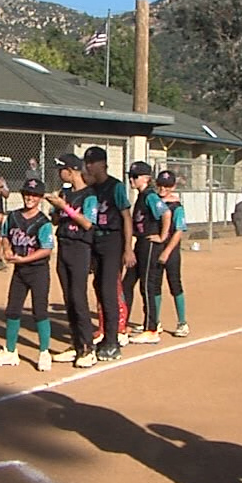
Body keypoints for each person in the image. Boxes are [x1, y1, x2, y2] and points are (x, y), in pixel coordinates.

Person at [0, 178, 56, 372]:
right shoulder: (14, 216)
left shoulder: (43, 222)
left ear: (40, 198)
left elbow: (46, 249)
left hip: (38, 270)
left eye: (34, 195)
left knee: (40, 311)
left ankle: (44, 352)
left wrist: (24, 259)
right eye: (27, 193)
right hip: (20, 271)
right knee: (13, 309)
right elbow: (5, 236)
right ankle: (10, 350)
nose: (29, 198)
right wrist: (7, 249)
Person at [44, 153, 100, 368]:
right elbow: (55, 220)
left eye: (62, 170)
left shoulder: (89, 195)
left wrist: (64, 206)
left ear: (72, 170)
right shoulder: (64, 193)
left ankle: (87, 347)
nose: (60, 174)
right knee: (68, 299)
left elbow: (88, 223)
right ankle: (76, 344)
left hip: (80, 248)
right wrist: (57, 208)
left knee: (78, 298)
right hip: (64, 246)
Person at [85, 146, 134, 361]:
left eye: (92, 162)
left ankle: (113, 340)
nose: (88, 166)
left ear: (103, 164)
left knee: (108, 289)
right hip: (95, 240)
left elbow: (126, 217)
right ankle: (104, 333)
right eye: (87, 162)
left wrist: (128, 248)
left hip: (112, 240)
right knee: (98, 287)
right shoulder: (90, 189)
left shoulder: (116, 186)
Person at [122, 161, 170, 344]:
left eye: (135, 177)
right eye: (130, 176)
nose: (131, 180)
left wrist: (162, 236)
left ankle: (151, 328)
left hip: (150, 244)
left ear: (146, 178)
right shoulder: (141, 196)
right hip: (140, 244)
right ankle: (122, 323)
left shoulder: (150, 196)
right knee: (127, 283)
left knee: (147, 285)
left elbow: (166, 213)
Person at [152, 170, 190, 338]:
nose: (163, 189)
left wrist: (167, 252)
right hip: (155, 248)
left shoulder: (177, 207)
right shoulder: (153, 201)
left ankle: (182, 322)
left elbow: (178, 231)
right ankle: (155, 322)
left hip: (170, 250)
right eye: (160, 185)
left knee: (175, 283)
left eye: (167, 186)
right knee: (154, 285)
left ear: (173, 187)